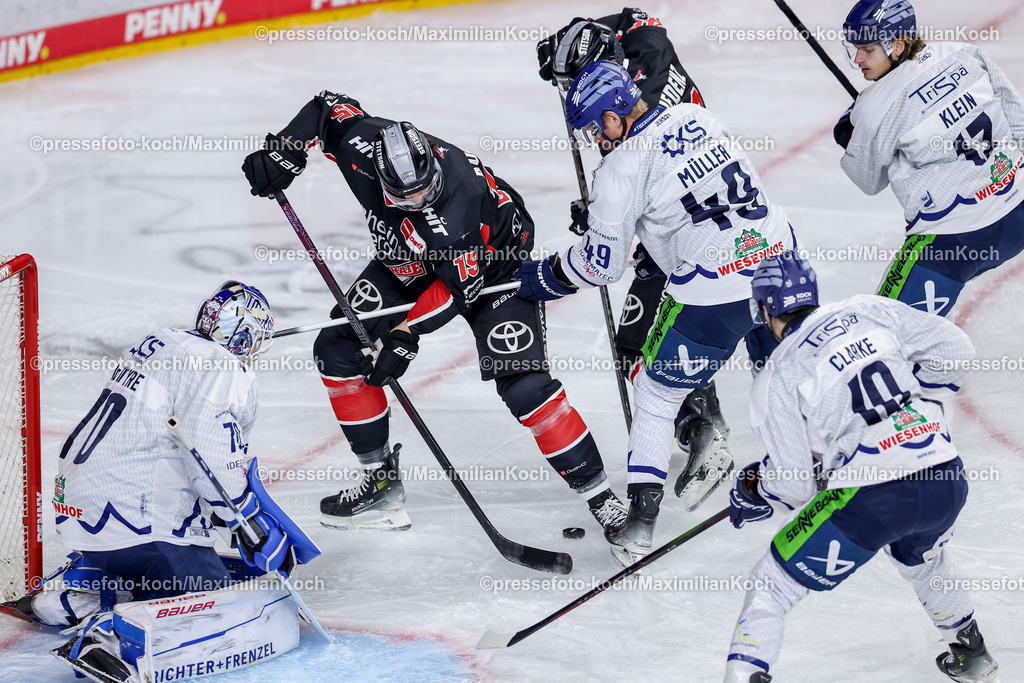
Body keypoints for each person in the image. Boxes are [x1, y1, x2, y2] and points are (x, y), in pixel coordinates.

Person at [241, 94, 629, 539]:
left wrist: (405, 334)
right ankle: (380, 483)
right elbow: (327, 108)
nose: (417, 200)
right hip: (410, 258)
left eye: (424, 190)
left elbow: (457, 290)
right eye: (403, 196)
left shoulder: (456, 207)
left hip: (491, 264)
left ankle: (604, 501)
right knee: (336, 349)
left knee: (526, 387)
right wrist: (284, 149)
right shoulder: (362, 146)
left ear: (434, 169)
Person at [515, 60, 800, 565]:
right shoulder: (697, 116)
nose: (593, 139)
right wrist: (641, 227)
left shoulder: (620, 168)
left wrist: (542, 277)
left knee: (655, 390)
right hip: (782, 262)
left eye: (591, 127)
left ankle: (640, 524)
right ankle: (813, 459)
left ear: (613, 117)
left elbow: (598, 266)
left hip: (716, 285)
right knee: (781, 366)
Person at [1, 282, 317, 681]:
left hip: (84, 513)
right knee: (219, 603)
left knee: (152, 573)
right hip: (140, 522)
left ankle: (65, 598)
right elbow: (211, 456)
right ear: (247, 334)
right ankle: (109, 644)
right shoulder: (223, 368)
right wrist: (247, 522)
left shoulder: (163, 342)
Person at [724, 251, 997, 683]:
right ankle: (972, 652)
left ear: (765, 310)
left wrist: (756, 489)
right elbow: (956, 349)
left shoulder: (778, 373)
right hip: (945, 475)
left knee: (772, 585)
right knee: (921, 555)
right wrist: (916, 407)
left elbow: (794, 484)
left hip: (874, 495)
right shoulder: (866, 308)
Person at [537, 10, 729, 481]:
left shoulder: (634, 112)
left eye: (579, 81)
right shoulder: (637, 62)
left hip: (682, 234)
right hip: (714, 213)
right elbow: (634, 16)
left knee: (638, 343)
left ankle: (701, 426)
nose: (576, 93)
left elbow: (623, 215)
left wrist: (602, 213)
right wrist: (572, 38)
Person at [835, 0, 1024, 317]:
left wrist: (851, 134)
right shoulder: (963, 52)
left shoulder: (872, 108)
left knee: (887, 328)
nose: (857, 58)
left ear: (897, 44)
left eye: (867, 49)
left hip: (953, 245)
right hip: (1017, 216)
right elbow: (1019, 122)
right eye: (854, 48)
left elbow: (868, 181)